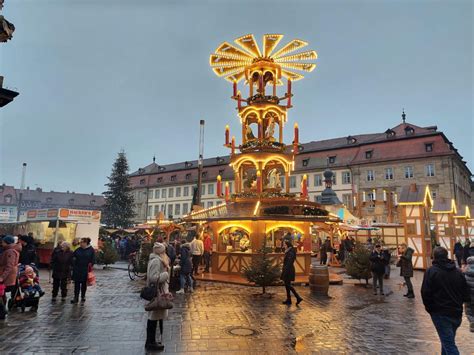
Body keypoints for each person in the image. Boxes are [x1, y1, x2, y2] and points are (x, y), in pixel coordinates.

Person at [421, 247, 470, 355]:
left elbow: (425, 293)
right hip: (456, 313)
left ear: (434, 257)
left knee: (449, 345)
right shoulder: (457, 272)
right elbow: (465, 293)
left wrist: (431, 309)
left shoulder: (431, 271)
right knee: (447, 341)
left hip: (441, 314)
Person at [145, 242, 170, 351]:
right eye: (164, 251)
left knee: (154, 317)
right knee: (153, 318)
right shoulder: (156, 261)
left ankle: (151, 341)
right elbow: (153, 277)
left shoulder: (157, 260)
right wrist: (165, 275)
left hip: (158, 292)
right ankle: (151, 342)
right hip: (157, 293)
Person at [0, 235, 21, 319]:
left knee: (2, 293)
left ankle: (2, 311)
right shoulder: (9, 250)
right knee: (2, 294)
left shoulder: (10, 251)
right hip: (7, 275)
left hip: (7, 276)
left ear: (7, 242)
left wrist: (2, 277)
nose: (1, 243)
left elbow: (9, 266)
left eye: (3, 242)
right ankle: (2, 311)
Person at [71, 237, 95, 304]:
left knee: (84, 284)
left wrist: (90, 266)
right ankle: (75, 297)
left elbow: (93, 260)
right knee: (76, 284)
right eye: (80, 242)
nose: (80, 243)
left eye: (82, 242)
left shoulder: (91, 250)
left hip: (85, 269)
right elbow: (73, 257)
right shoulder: (78, 249)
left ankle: (83, 296)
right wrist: (73, 263)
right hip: (77, 269)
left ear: (86, 243)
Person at [281, 240, 303, 305]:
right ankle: (289, 299)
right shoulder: (288, 251)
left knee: (288, 285)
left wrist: (285, 270)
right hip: (287, 269)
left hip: (289, 270)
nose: (284, 246)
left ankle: (298, 297)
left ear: (287, 245)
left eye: (284, 245)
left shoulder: (290, 252)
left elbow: (289, 262)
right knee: (287, 285)